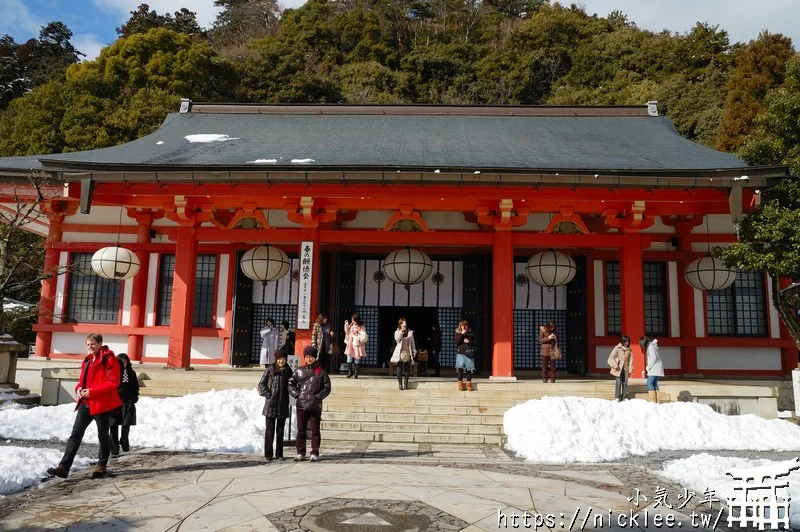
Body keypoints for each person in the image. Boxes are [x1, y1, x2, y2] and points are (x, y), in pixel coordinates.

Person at [47, 334, 122, 479]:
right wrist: (79, 388)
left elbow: (113, 382)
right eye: (88, 344)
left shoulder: (109, 359)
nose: (90, 347)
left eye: (93, 344)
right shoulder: (87, 360)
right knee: (75, 434)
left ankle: (101, 465)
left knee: (102, 435)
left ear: (100, 343)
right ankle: (64, 466)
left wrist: (92, 391)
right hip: (85, 403)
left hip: (101, 403)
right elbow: (82, 379)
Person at [288, 346, 331, 462]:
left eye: (311, 357)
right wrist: (297, 395)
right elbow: (290, 384)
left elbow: (327, 388)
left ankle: (314, 452)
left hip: (315, 406)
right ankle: (300, 452)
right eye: (307, 357)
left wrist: (318, 397)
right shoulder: (299, 370)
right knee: (301, 430)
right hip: (301, 405)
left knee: (315, 430)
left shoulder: (321, 372)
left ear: (315, 357)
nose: (309, 359)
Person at [258, 349, 292, 461]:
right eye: (279, 359)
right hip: (271, 404)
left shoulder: (288, 371)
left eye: (283, 359)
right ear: (276, 359)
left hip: (283, 403)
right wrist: (269, 394)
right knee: (270, 430)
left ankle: (279, 454)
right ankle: (268, 454)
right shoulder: (270, 369)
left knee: (281, 431)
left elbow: (292, 384)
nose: (281, 361)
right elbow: (262, 383)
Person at [109, 353, 139, 457]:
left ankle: (124, 440)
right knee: (113, 426)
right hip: (114, 401)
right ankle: (114, 450)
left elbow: (136, 386)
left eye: (125, 362)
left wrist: (135, 397)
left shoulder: (131, 373)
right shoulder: (113, 372)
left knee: (126, 423)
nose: (124, 364)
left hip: (127, 401)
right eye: (121, 362)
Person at [390, 318, 417, 390]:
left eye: (404, 323)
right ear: (400, 324)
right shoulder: (397, 331)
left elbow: (412, 342)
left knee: (407, 369)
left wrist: (414, 350)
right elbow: (397, 340)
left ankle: (406, 383)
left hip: (407, 352)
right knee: (399, 369)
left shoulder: (410, 332)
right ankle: (400, 384)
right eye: (402, 323)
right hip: (399, 352)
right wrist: (402, 331)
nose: (404, 325)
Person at [607, 336, 633, 402]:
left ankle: (625, 397)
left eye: (628, 341)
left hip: (626, 368)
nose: (627, 343)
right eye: (625, 341)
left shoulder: (629, 349)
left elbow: (631, 360)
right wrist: (615, 365)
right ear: (622, 341)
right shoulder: (617, 348)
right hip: (618, 369)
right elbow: (611, 357)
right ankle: (617, 397)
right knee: (618, 383)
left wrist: (630, 369)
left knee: (625, 383)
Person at [641, 336, 664, 403]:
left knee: (649, 383)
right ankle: (657, 400)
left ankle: (653, 401)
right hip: (658, 368)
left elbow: (653, 358)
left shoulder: (650, 347)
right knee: (654, 384)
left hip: (654, 369)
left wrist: (648, 367)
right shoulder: (653, 346)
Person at [454, 320, 476, 391]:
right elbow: (457, 342)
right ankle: (460, 385)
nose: (464, 326)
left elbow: (475, 343)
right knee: (460, 369)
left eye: (465, 325)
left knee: (469, 369)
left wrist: (469, 341)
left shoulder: (471, 333)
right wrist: (461, 333)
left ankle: (468, 385)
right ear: (460, 326)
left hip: (469, 353)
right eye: (462, 325)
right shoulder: (458, 333)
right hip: (460, 353)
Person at [343, 314, 366, 378]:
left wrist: (357, 333)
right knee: (349, 358)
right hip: (350, 343)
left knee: (357, 359)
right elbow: (347, 332)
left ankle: (356, 373)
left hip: (358, 345)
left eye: (353, 320)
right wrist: (346, 325)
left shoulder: (362, 327)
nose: (352, 321)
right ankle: (350, 372)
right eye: (352, 320)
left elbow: (363, 335)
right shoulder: (351, 326)